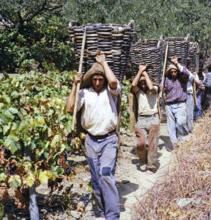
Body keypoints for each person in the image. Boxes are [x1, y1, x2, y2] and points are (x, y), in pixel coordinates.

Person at [66, 53, 121, 220]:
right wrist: (75, 85)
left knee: (106, 174)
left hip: (109, 139)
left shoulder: (111, 91)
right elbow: (70, 109)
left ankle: (113, 216)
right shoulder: (84, 93)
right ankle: (103, 211)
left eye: (100, 79)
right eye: (95, 79)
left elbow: (113, 81)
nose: (98, 82)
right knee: (96, 180)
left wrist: (103, 62)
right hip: (91, 140)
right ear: (91, 80)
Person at [131, 63, 159, 172]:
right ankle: (143, 160)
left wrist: (145, 72)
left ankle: (151, 166)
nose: (143, 85)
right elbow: (133, 85)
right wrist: (140, 71)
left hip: (153, 118)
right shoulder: (138, 92)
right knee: (141, 143)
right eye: (141, 83)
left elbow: (151, 87)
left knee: (152, 144)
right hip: (141, 119)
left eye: (144, 83)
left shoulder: (154, 89)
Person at [161, 56, 189, 145]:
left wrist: (176, 63)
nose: (173, 73)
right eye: (171, 72)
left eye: (175, 71)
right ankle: (175, 143)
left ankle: (184, 141)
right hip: (169, 105)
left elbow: (185, 72)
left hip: (180, 104)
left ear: (177, 72)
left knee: (181, 123)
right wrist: (161, 88)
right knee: (171, 126)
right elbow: (163, 89)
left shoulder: (182, 79)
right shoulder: (166, 79)